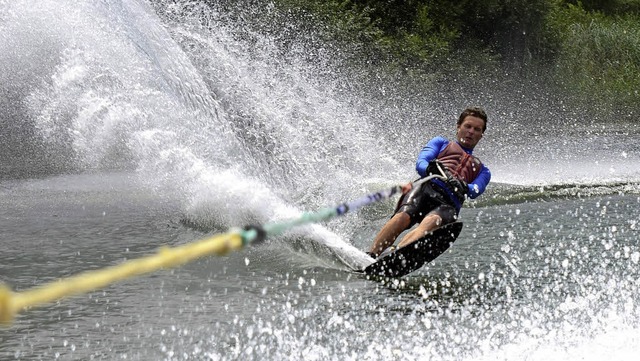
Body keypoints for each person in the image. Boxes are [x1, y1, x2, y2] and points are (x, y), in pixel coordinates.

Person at [367, 106, 491, 257]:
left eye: (477, 129)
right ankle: (370, 255)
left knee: (432, 221)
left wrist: (464, 186)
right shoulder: (440, 143)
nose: (471, 131)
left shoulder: (483, 171)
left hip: (448, 203)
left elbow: (476, 190)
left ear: (481, 135)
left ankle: (394, 256)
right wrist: (433, 169)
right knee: (403, 217)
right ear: (458, 126)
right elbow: (421, 163)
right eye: (468, 126)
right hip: (425, 189)